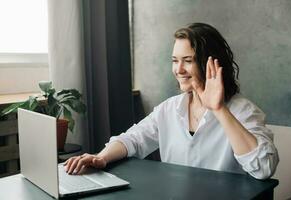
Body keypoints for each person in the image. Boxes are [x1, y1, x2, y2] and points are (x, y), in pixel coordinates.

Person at [64, 23, 279, 180]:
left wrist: (220, 109)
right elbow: (134, 139)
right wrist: (101, 158)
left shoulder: (243, 111)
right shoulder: (169, 108)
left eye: (188, 61)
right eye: (175, 61)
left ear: (210, 63)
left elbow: (263, 168)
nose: (178, 70)